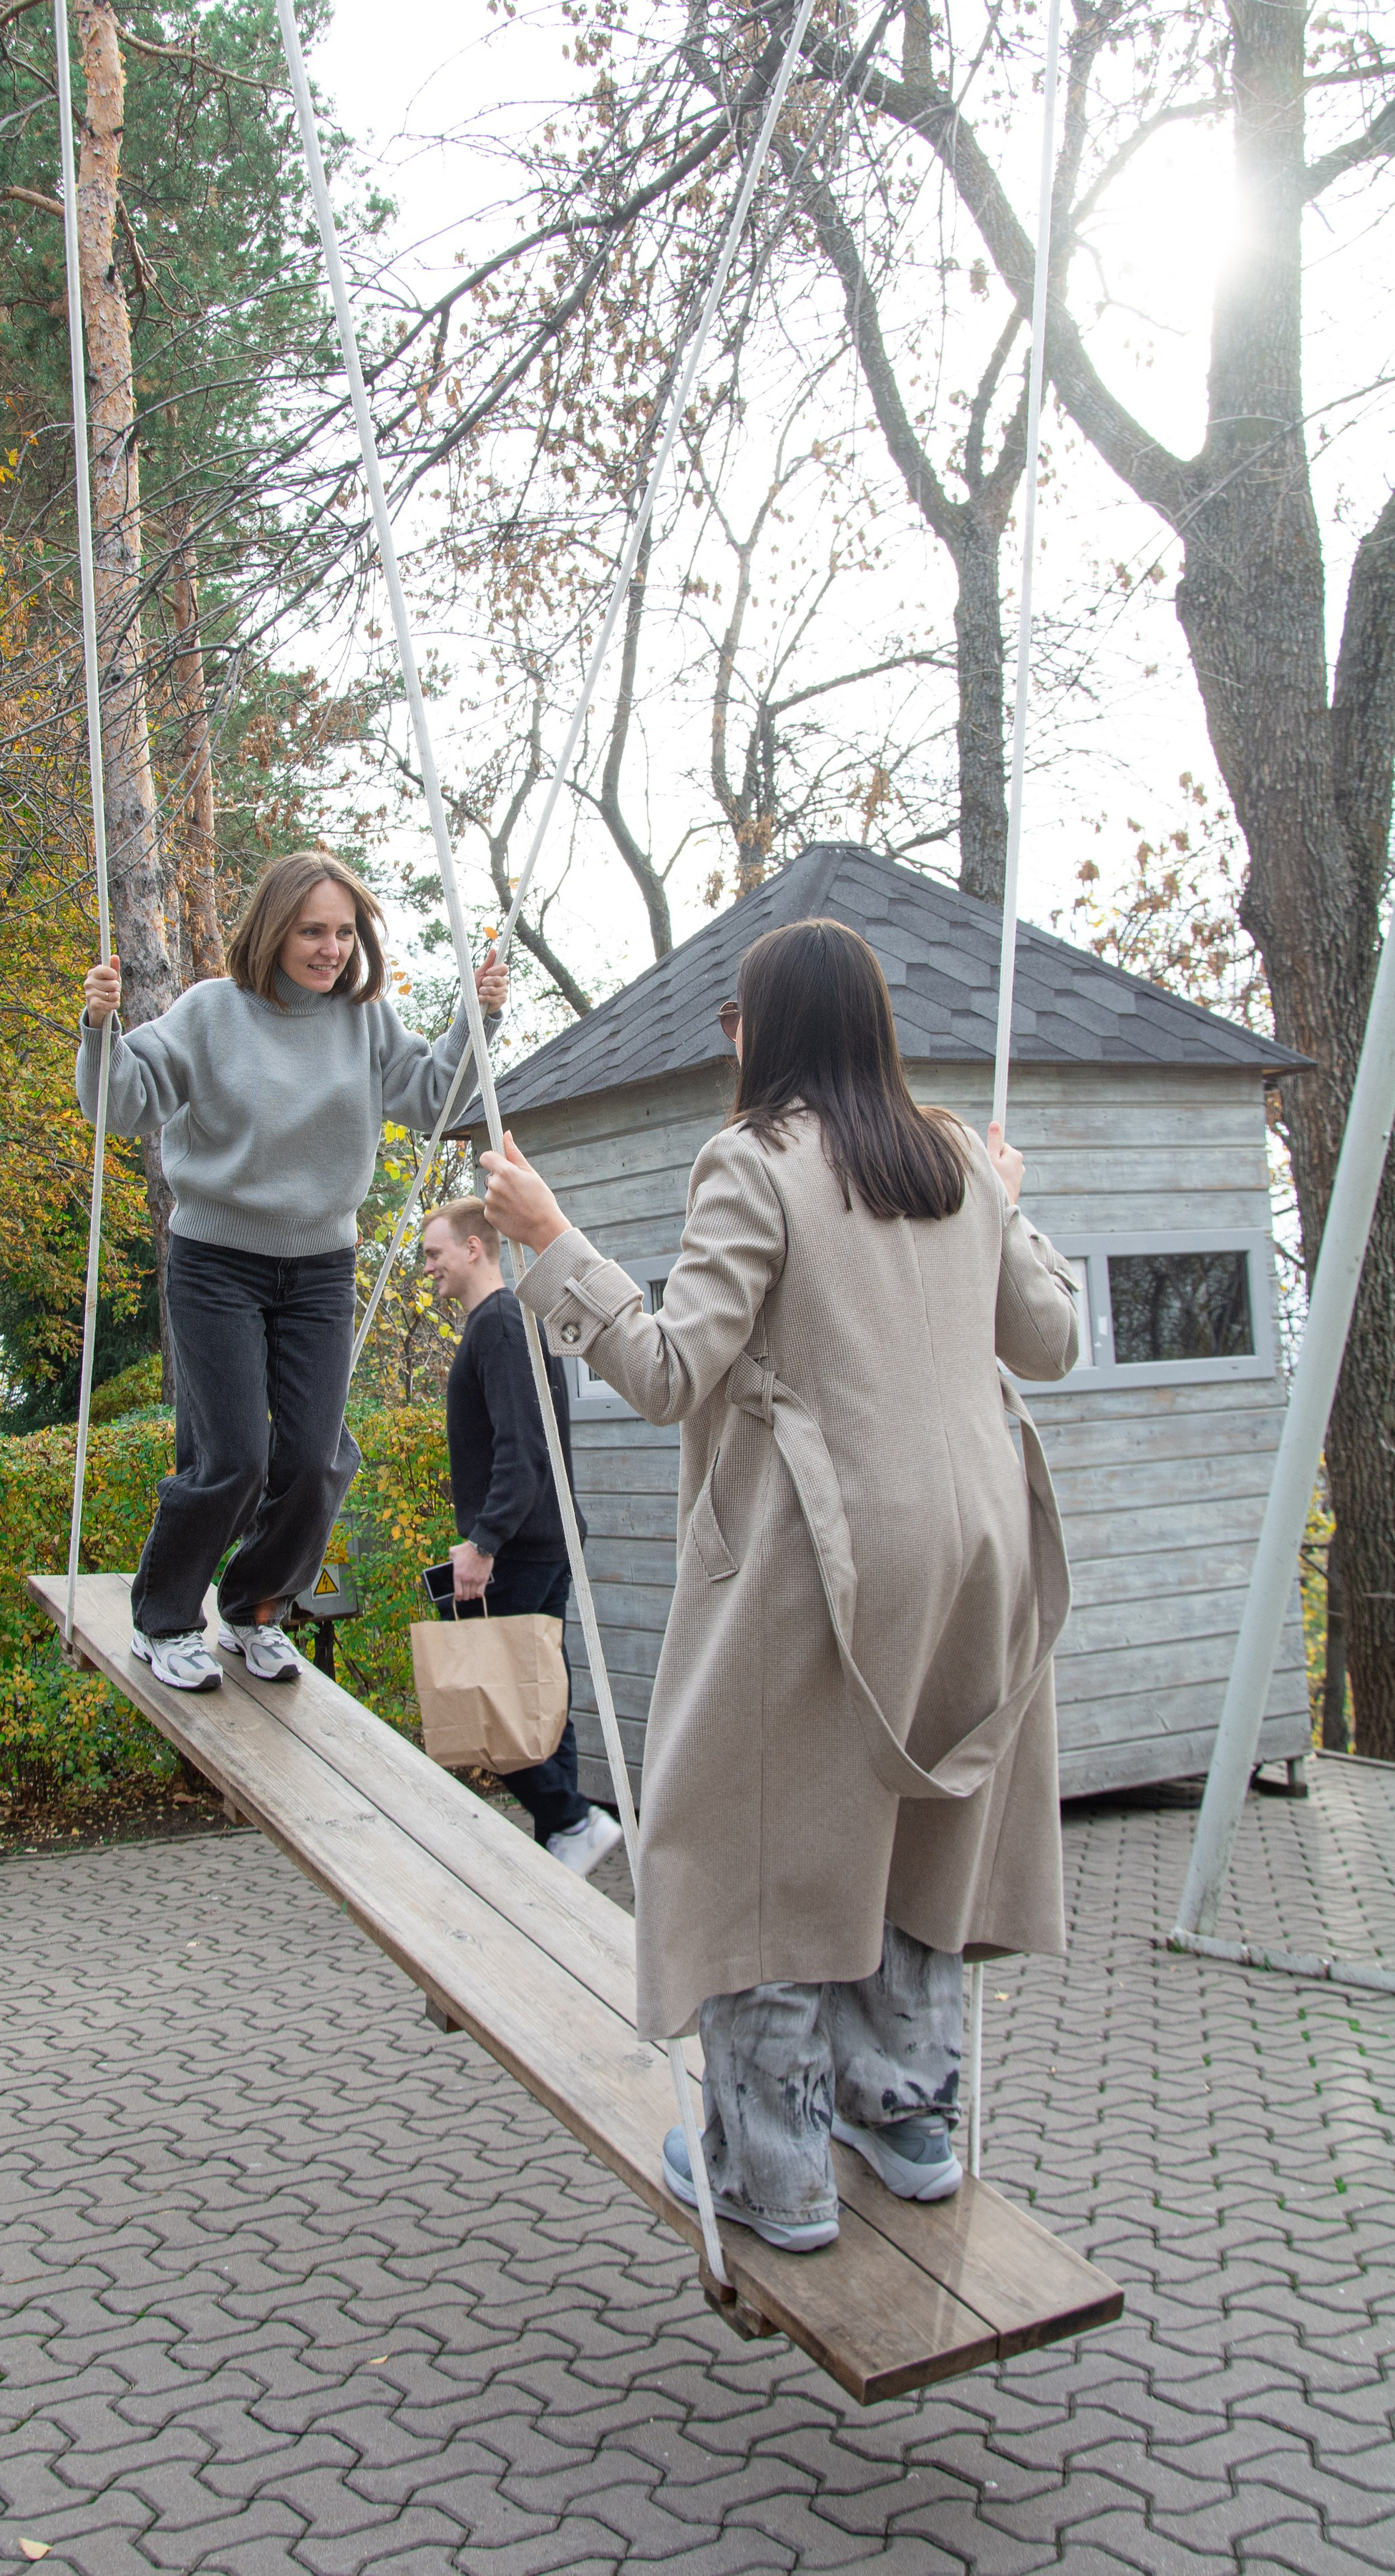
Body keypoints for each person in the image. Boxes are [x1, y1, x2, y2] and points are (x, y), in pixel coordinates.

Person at [480, 917, 1078, 2252]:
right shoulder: (956, 1165)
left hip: (827, 1554)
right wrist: (1009, 1198)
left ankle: (777, 2175)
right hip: (982, 1555)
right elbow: (1055, 1341)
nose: (728, 1043)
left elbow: (668, 1372)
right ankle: (908, 2121)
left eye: (738, 1018)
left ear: (776, 1029)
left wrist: (552, 1241)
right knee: (919, 1826)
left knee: (749, 1844)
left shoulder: (751, 1164)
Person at [79, 851, 505, 1690]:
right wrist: (100, 1029)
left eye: (345, 932)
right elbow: (122, 1105)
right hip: (216, 1265)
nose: (331, 948)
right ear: (273, 929)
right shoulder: (211, 1012)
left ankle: (254, 1610)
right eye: (313, 931)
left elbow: (432, 1100)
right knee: (233, 1457)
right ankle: (164, 1621)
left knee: (313, 1460)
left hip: (318, 1269)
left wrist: (475, 1022)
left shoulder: (364, 1022)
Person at [422, 1198, 623, 1879]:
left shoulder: (501, 1324)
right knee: (537, 1696)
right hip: (534, 1542)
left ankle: (570, 1818)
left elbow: (525, 1450)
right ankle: (564, 1838)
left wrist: (483, 1544)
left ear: (474, 1249)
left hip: (522, 1547)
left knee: (496, 1702)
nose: (429, 1269)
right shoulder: (495, 1325)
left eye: (434, 1254)